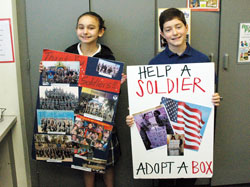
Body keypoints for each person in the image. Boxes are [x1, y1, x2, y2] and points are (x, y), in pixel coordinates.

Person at [126, 8, 221, 187]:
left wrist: (214, 98)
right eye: (168, 29)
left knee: (188, 176)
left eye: (178, 27)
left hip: (189, 126)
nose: (174, 33)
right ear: (162, 33)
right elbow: (149, 99)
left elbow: (207, 94)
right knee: (167, 176)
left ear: (186, 28)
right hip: (168, 125)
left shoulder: (202, 61)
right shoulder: (155, 63)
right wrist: (138, 110)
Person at [40, 11, 126, 187]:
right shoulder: (67, 55)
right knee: (85, 160)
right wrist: (47, 71)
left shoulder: (108, 57)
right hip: (76, 118)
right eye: (81, 27)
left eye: (91, 27)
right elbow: (60, 86)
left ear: (100, 32)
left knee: (107, 161)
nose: (85, 31)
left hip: (101, 118)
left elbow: (109, 92)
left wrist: (117, 83)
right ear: (76, 29)